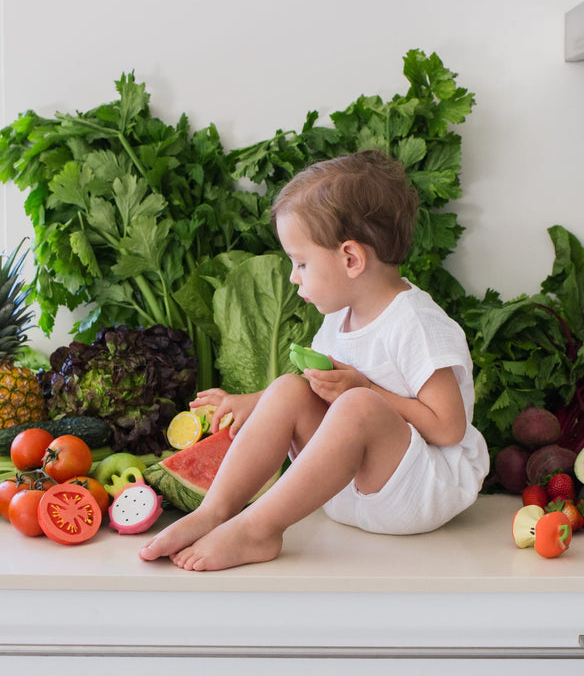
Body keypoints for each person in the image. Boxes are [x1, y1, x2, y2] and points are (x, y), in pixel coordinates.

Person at [139, 149, 489, 571]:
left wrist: (365, 389)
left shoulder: (415, 322)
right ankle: (215, 511)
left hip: (419, 491)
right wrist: (256, 403)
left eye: (301, 262)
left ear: (351, 259)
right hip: (343, 489)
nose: (293, 276)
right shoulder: (340, 316)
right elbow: (312, 389)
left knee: (358, 406)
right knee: (289, 387)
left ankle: (258, 530)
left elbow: (449, 428)